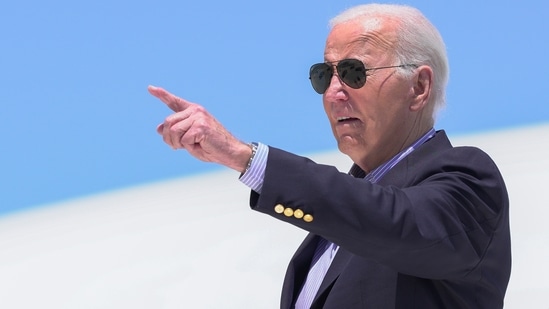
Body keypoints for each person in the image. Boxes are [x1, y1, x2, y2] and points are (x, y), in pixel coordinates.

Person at [149, 3, 511, 308]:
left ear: (418, 87)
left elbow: (392, 220)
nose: (334, 92)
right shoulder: (333, 227)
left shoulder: (468, 180)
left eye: (354, 73)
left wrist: (246, 157)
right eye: (324, 75)